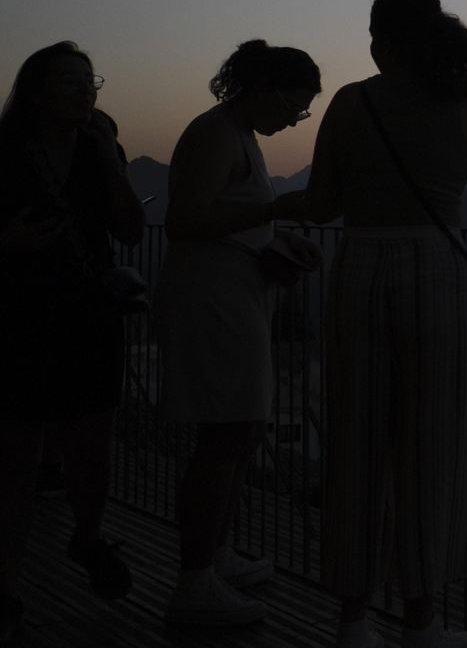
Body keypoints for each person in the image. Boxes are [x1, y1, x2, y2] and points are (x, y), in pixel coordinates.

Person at [295, 0, 467, 648]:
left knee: (356, 444)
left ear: (378, 41)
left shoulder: (351, 102)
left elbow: (321, 204)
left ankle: (353, 620)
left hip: (361, 269)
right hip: (437, 275)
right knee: (433, 448)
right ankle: (422, 623)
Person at [152, 40, 324, 626]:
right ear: (264, 87)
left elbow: (222, 221)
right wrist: (274, 215)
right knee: (225, 438)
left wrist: (275, 243)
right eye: (295, 107)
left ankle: (215, 558)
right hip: (214, 306)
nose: (294, 120)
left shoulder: (237, 133)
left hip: (236, 301)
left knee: (238, 434)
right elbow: (184, 222)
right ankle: (194, 581)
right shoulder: (215, 134)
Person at [0, 43, 146, 644]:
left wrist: (112, 164)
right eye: (71, 81)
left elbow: (132, 231)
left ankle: (87, 535)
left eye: (91, 81)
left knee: (91, 450)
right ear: (36, 91)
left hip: (86, 318)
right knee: (12, 460)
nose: (87, 91)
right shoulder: (4, 151)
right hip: (15, 315)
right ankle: (5, 594)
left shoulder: (97, 149)